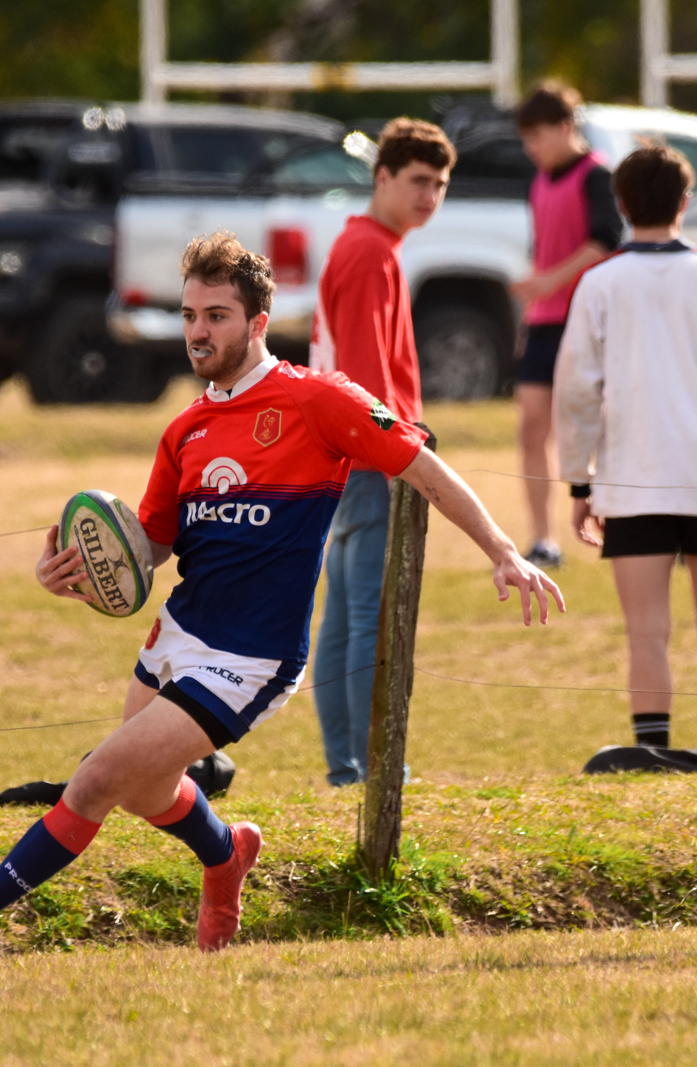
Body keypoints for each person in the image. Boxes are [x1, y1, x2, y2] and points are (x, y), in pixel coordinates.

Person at [0, 232, 563, 964]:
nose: (198, 332)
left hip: (253, 654)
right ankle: (225, 853)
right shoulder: (185, 430)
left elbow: (423, 467)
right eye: (188, 316)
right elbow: (149, 545)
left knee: (96, 779)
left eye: (216, 315)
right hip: (179, 630)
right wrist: (80, 570)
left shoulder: (319, 400)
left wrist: (504, 552)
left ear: (256, 323)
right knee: (148, 790)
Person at [555, 144, 697, 754]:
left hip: (631, 484)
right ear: (686, 201)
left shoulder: (598, 282)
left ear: (621, 204)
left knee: (647, 634)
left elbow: (575, 389)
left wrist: (581, 482)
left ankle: (652, 756)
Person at [307, 118, 453, 786]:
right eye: (419, 181)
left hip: (347, 459)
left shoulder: (368, 245)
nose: (431, 195)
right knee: (367, 616)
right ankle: (365, 766)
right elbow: (364, 378)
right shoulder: (369, 252)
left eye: (441, 184)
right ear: (383, 177)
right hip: (367, 460)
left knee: (344, 616)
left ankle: (348, 765)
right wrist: (402, 454)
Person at [509, 81, 621, 570]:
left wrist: (551, 280)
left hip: (588, 322)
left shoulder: (597, 176)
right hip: (543, 324)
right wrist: (537, 291)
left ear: (565, 127)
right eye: (526, 139)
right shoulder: (539, 182)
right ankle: (543, 540)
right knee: (533, 428)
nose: (532, 148)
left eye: (539, 137)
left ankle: (623, 524)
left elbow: (605, 241)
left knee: (604, 427)